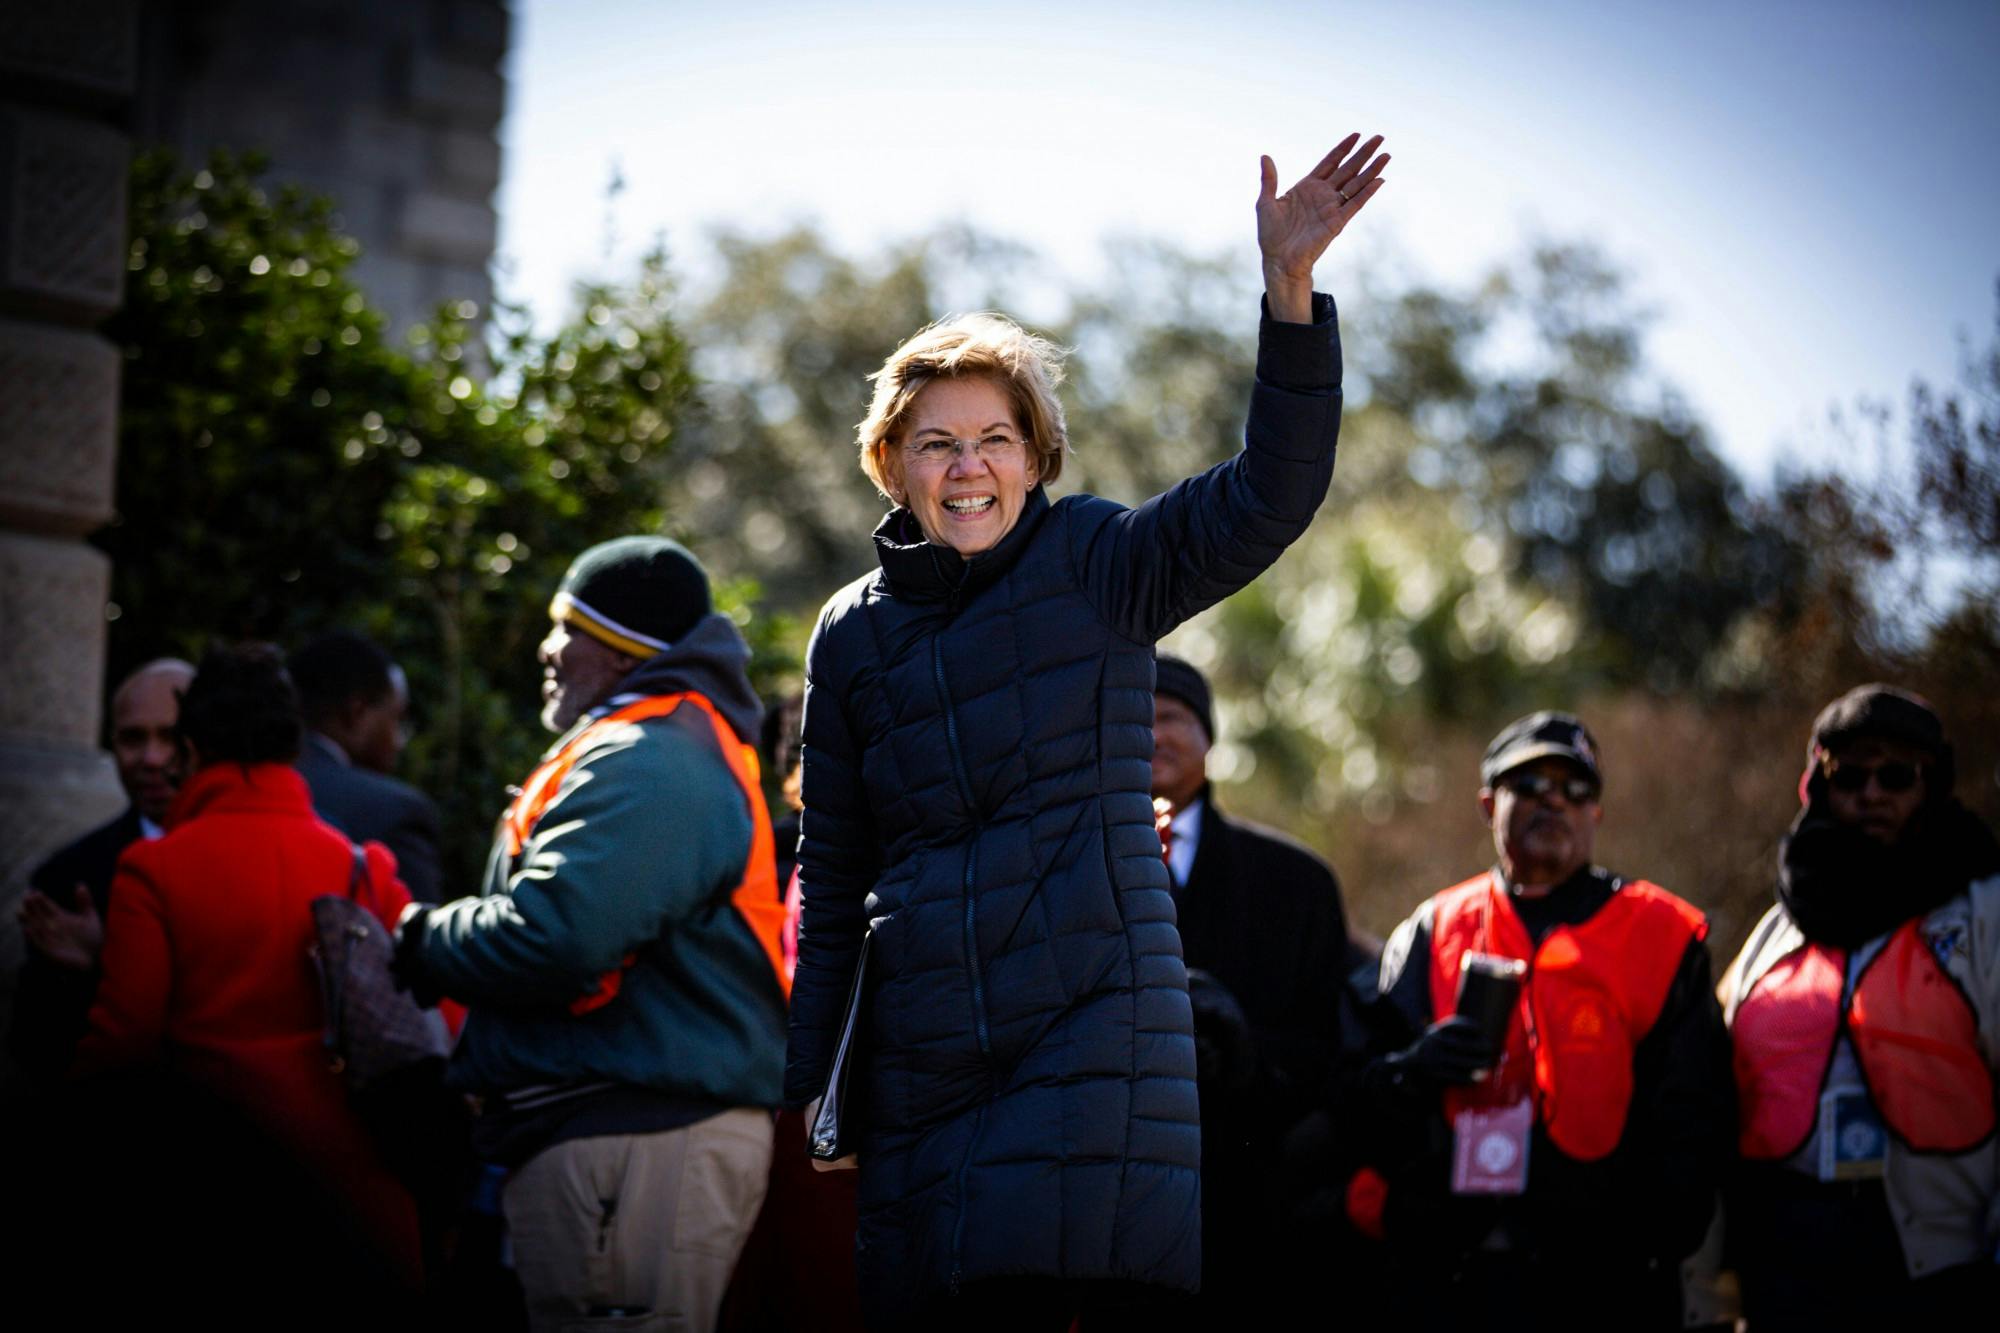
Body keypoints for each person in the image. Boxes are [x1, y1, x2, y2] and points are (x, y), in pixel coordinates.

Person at [784, 133, 1387, 1329]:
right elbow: (836, 866)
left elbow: (1270, 492)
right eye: (936, 442)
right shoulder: (848, 634)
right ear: (890, 463)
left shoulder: (1099, 560)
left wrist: (1288, 294)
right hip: (921, 1063)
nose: (967, 468)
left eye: (994, 439)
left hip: (1089, 1052)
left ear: (1036, 455)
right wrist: (814, 1087)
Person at [392, 536, 790, 1333]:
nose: (548, 649)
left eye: (565, 625)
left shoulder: (652, 757)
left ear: (621, 649)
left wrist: (420, 938)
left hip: (637, 1143)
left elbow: (557, 939)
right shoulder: (658, 744)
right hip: (630, 1139)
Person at [1356, 711, 1734, 1332]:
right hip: (1452, 1276)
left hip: (1606, 1284)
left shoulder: (1663, 933)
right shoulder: (1432, 927)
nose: (1554, 800)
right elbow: (1360, 1085)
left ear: (1596, 814)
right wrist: (1412, 1071)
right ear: (1487, 804)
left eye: (1575, 788)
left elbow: (1698, 1117)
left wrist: (1642, 1243)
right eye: (1528, 785)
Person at [73, 644, 422, 1288]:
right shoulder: (360, 865)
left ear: (191, 751)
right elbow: (436, 1010)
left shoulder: (156, 871)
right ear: (292, 748)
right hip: (354, 1191)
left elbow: (123, 1042)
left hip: (210, 1188)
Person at [1720, 685, 2000, 1328]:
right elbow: (1718, 1102)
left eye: (1896, 775)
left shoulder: (1982, 914)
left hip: (1938, 1267)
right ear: (1817, 785)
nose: (1872, 793)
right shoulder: (1773, 932)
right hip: (1787, 1264)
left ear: (1932, 784)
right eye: (1849, 775)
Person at [1147, 654, 1358, 1324]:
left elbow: (1327, 1048)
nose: (1152, 733)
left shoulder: (1294, 883)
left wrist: (1240, 1050)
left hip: (1251, 1210)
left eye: (1173, 716)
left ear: (1210, 738)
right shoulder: (1050, 869)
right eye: (1131, 716)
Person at [11, 657, 194, 1074]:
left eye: (171, 736)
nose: (151, 757)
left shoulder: (251, 854)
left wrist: (109, 962)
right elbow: (36, 1046)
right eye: (133, 739)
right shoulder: (68, 877)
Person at [290, 630, 444, 903]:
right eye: (397, 719)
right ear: (356, 712)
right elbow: (416, 936)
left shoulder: (237, 787)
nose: (399, 742)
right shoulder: (395, 813)